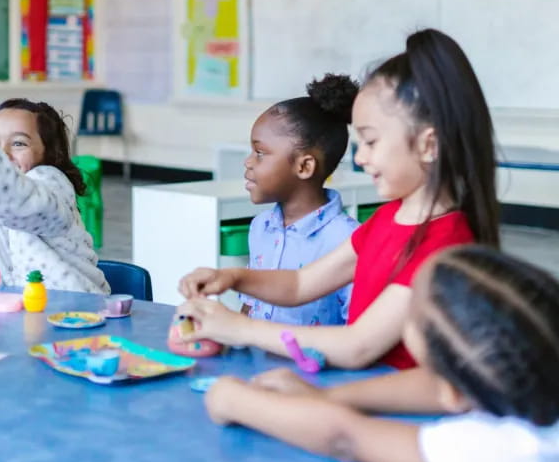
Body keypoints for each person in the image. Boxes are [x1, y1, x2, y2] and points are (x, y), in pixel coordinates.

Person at [178, 29, 498, 369]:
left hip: (391, 398)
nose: (359, 159)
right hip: (364, 386)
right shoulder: (388, 218)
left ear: (428, 145)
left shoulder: (444, 245)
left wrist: (241, 329)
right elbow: (301, 284)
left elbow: (356, 346)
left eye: (371, 142)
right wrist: (232, 278)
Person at [204, 246, 559, 462]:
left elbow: (346, 438)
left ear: (453, 394)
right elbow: (438, 384)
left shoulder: (510, 452)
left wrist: (232, 400)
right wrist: (328, 396)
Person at [0, 68, 108, 294]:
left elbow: (16, 202)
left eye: (19, 143)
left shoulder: (52, 185)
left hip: (74, 314)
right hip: (16, 318)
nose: (2, 153)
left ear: (51, 153)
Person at [238, 73, 359, 326]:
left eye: (260, 153)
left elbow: (357, 330)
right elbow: (250, 306)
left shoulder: (348, 241)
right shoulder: (260, 227)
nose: (248, 162)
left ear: (304, 166)